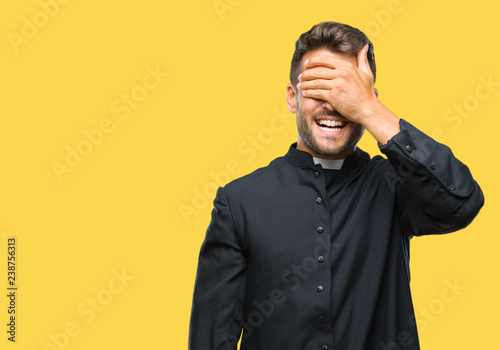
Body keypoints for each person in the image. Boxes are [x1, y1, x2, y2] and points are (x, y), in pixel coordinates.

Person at [188, 21, 484, 350]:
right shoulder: (238, 202)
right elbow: (211, 340)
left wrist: (370, 110)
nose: (332, 105)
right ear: (292, 97)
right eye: (318, 89)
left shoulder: (396, 185)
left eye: (344, 92)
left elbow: (462, 201)